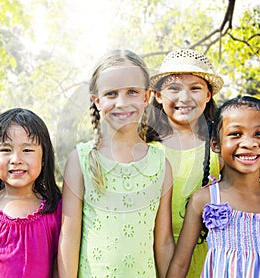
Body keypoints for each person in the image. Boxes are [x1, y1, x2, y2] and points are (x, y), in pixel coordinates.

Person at [58, 49, 174, 277]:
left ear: (146, 96)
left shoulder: (160, 163)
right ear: (97, 101)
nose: (122, 102)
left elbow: (163, 241)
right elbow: (69, 237)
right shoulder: (80, 160)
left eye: (132, 91)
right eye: (111, 93)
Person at [166, 96, 260, 277]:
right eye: (236, 134)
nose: (249, 143)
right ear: (215, 144)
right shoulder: (205, 199)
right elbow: (180, 264)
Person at [146, 48, 224, 277]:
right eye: (174, 88)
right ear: (158, 96)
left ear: (208, 95)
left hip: (209, 254)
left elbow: (245, 187)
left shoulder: (217, 148)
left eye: (195, 88)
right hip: (155, 253)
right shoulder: (145, 149)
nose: (184, 98)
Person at [0, 108, 62, 277]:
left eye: (27, 150)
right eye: (5, 150)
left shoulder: (57, 211)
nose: (16, 159)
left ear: (43, 158)